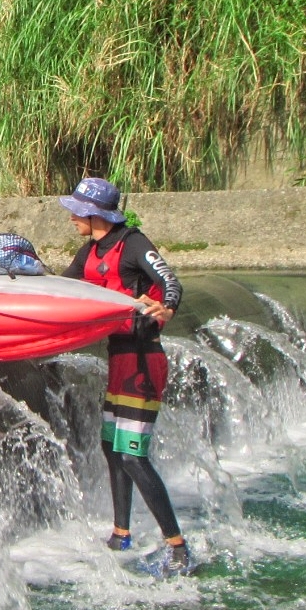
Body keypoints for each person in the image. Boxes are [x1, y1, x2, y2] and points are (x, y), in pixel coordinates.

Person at [59, 177, 194, 576]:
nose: (72, 218)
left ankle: (178, 547)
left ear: (94, 213)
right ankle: (121, 534)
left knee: (133, 456)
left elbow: (171, 281)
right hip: (119, 359)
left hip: (143, 361)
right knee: (111, 448)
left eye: (77, 210)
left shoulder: (133, 243)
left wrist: (166, 308)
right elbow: (59, 288)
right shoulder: (90, 251)